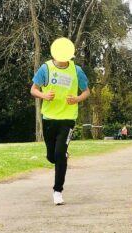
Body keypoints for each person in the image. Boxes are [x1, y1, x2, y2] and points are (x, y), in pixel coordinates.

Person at [30, 37, 90, 205]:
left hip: (68, 119)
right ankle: (60, 156)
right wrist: (44, 95)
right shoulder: (46, 68)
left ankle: (58, 191)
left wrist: (77, 99)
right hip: (49, 117)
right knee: (51, 156)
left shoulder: (76, 70)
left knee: (59, 154)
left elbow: (86, 92)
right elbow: (33, 90)